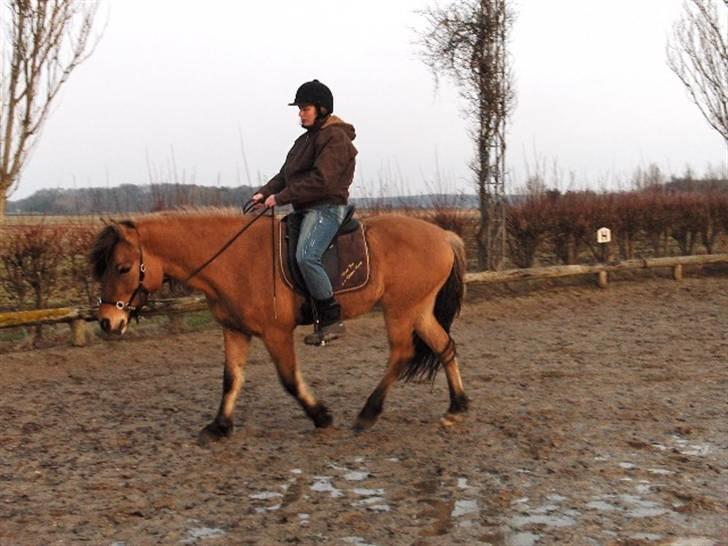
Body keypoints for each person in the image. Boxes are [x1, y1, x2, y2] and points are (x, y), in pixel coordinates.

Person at [252, 79, 357, 345]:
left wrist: (281, 198)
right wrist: (263, 193)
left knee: (306, 256)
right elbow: (285, 175)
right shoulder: (305, 140)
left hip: (326, 208)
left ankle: (331, 318)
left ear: (322, 109)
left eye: (304, 108)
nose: (300, 113)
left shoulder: (335, 138)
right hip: (304, 208)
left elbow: (322, 180)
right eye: (299, 109)